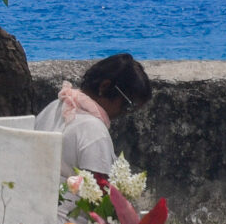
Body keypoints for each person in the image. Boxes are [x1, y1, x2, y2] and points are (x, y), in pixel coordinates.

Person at [36, 53, 152, 184]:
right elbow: (99, 193)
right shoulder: (94, 131)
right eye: (128, 105)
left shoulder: (55, 106)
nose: (125, 113)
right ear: (104, 87)